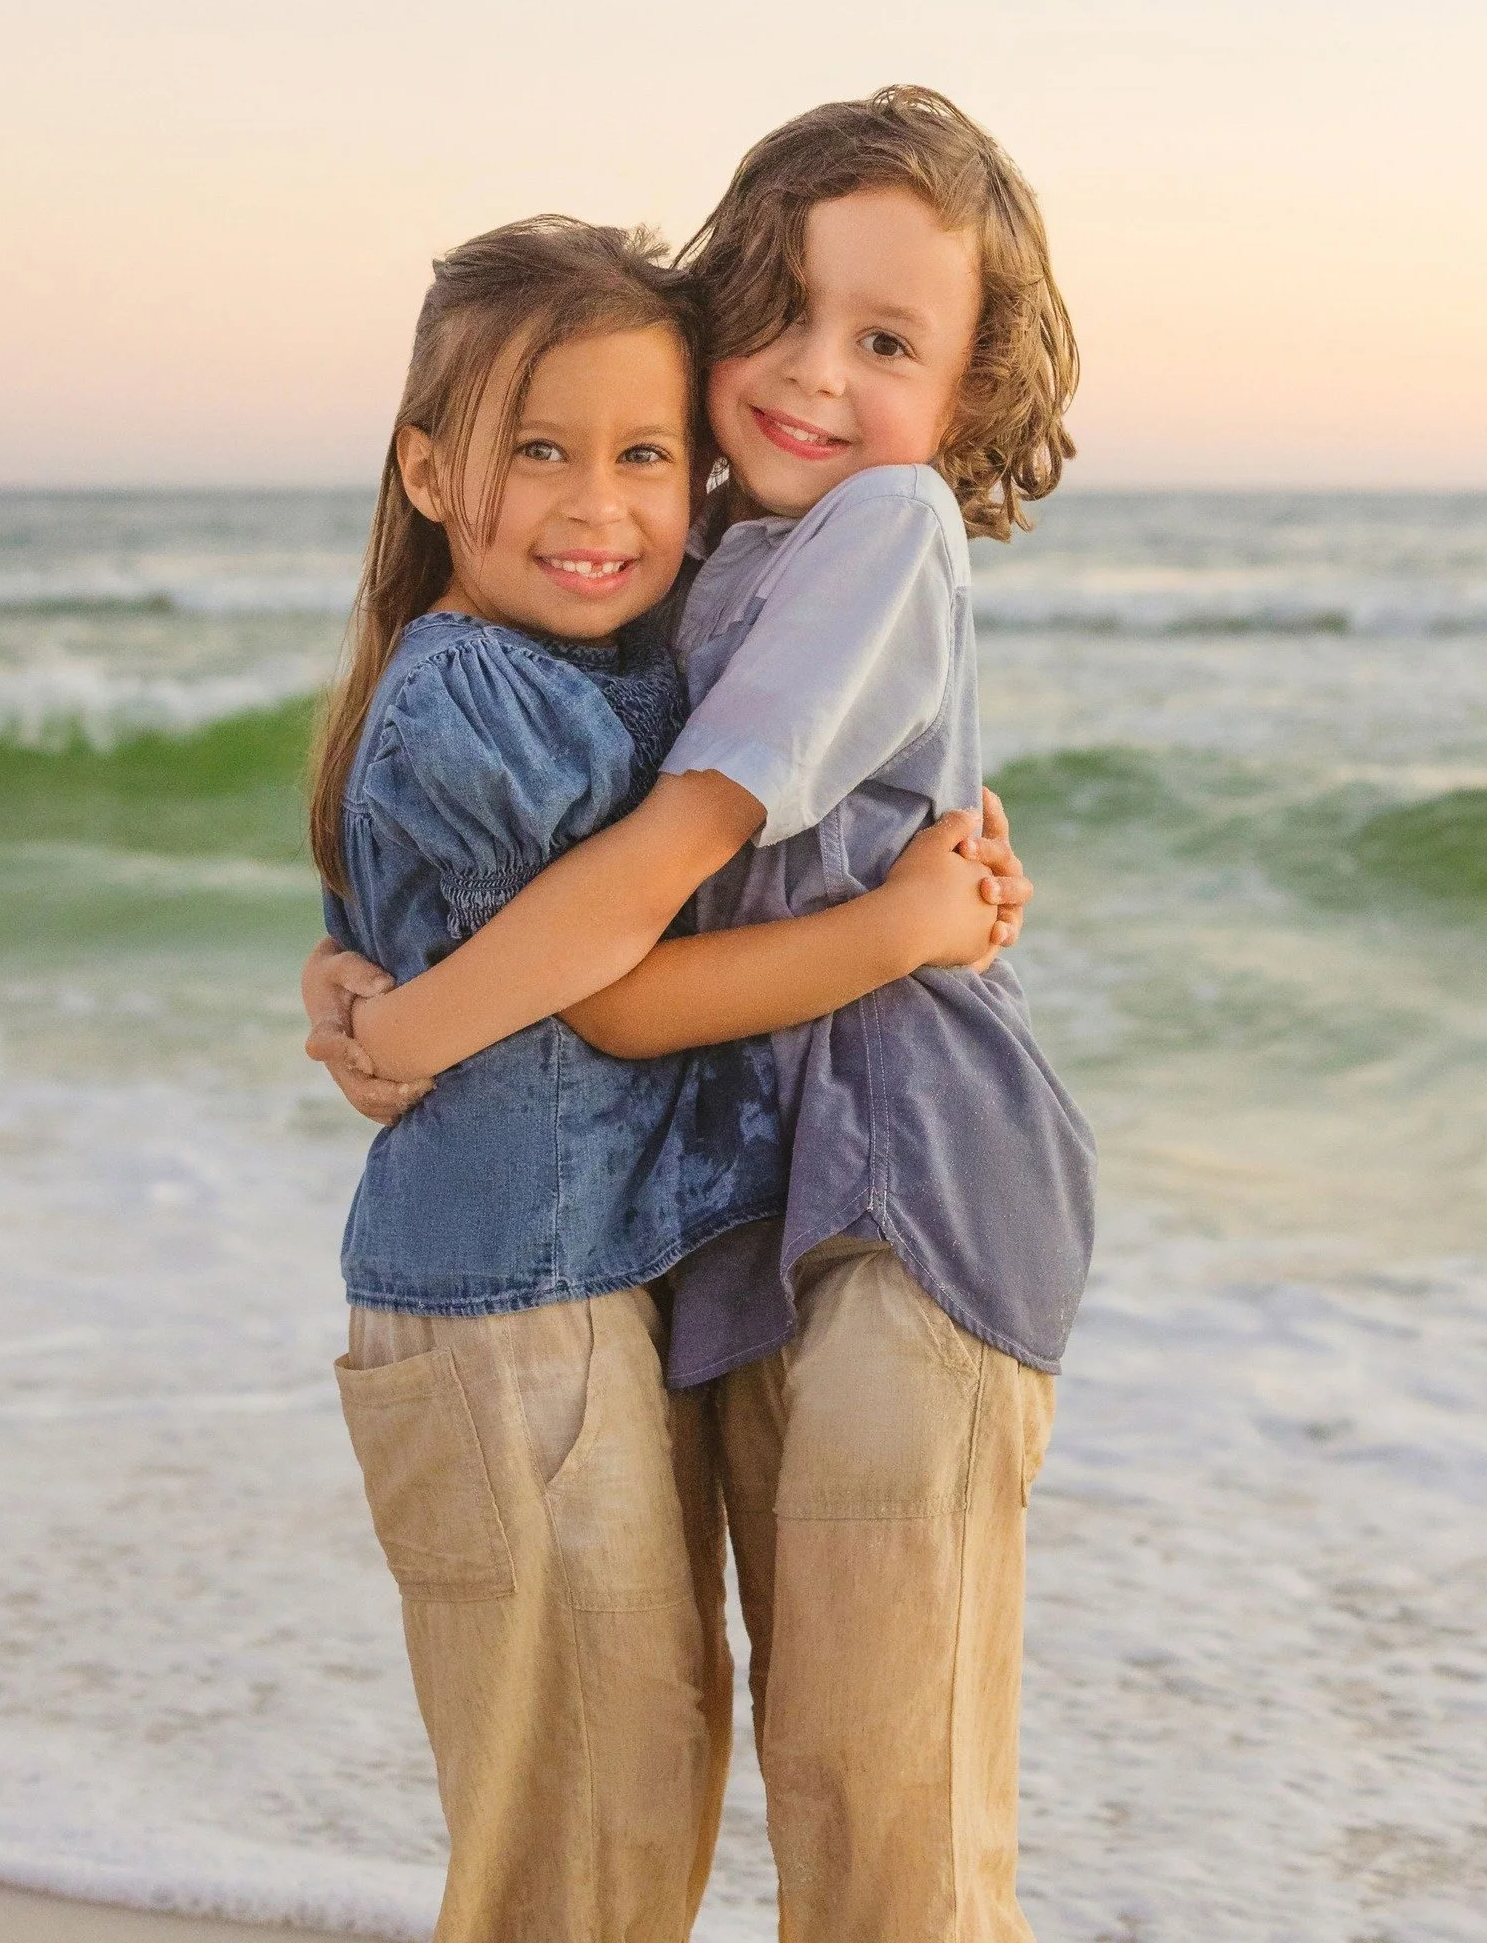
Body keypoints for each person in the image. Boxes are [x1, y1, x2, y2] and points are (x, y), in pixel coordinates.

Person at [308, 212, 1020, 1943]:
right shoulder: (474, 695)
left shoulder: (619, 662)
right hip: (503, 1310)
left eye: (642, 457)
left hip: (589, 1297)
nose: (596, 505)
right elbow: (613, 982)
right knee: (579, 1843)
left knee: (632, 1799)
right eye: (534, 451)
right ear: (424, 469)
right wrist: (902, 927)